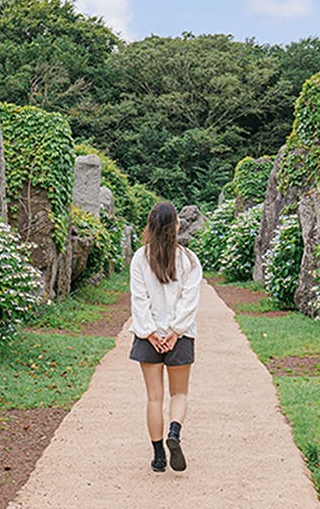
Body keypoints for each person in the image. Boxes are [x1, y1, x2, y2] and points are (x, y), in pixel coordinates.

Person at [129, 201, 202, 473]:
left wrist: (150, 333)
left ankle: (159, 457)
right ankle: (174, 432)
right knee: (179, 393)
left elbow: (139, 299)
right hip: (180, 338)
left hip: (148, 338)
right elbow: (189, 300)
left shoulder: (140, 258)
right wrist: (175, 332)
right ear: (176, 226)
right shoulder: (189, 260)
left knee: (154, 397)